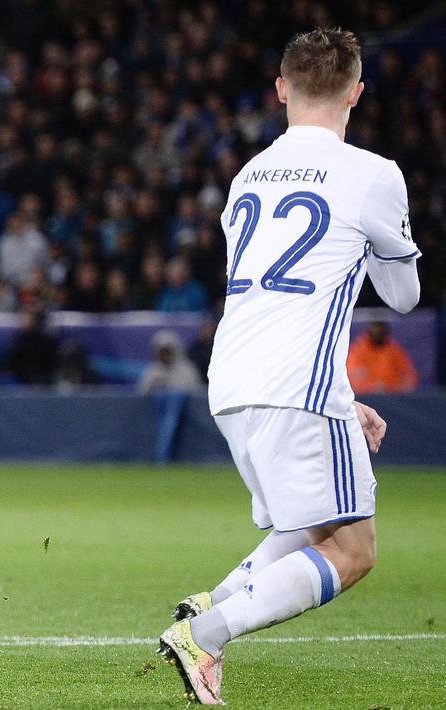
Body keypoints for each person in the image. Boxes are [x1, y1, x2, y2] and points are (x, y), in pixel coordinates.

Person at [158, 29, 422, 704]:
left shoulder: (248, 173)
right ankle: (208, 633)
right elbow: (402, 296)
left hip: (234, 378)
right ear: (355, 93)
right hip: (297, 384)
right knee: (352, 548)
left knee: (308, 523)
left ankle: (210, 601)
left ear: (280, 89)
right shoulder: (372, 173)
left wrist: (338, 393)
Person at [346, 320, 418, 393]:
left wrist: (397, 389)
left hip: (392, 396)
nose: (377, 332)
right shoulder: (358, 350)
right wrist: (373, 387)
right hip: (367, 396)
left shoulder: (394, 350)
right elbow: (352, 378)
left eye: (380, 331)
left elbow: (408, 374)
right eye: (375, 329)